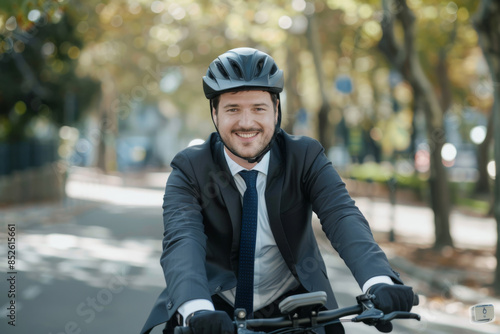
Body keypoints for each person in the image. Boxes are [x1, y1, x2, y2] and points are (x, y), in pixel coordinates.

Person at [140, 47, 414, 334]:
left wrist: (377, 280)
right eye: (233, 109)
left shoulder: (305, 156)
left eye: (258, 108)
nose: (246, 123)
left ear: (276, 111)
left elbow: (342, 215)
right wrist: (196, 308)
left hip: (296, 307)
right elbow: (182, 240)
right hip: (213, 309)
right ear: (215, 113)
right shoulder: (190, 168)